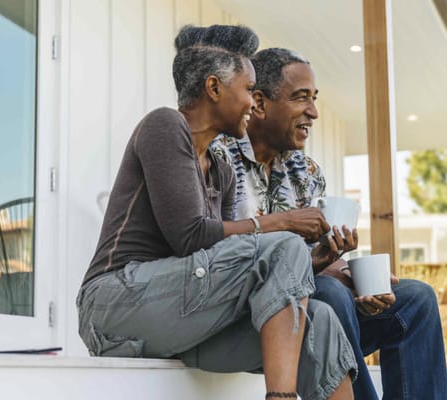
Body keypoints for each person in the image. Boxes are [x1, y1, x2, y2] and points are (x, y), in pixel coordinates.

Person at [75, 25, 356, 400]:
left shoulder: (221, 171)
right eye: (248, 90)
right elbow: (189, 236)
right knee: (283, 243)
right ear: (214, 88)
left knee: (319, 321)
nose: (253, 104)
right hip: (113, 307)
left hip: (181, 318)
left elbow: (213, 260)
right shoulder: (164, 125)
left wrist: (314, 262)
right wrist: (283, 222)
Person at [211, 47, 447, 400]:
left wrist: (354, 279)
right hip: (252, 318)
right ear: (259, 103)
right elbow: (220, 258)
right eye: (301, 98)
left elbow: (322, 258)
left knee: (417, 299)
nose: (314, 112)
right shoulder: (219, 159)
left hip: (318, 307)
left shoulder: (305, 172)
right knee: (329, 293)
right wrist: (327, 277)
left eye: (315, 98)